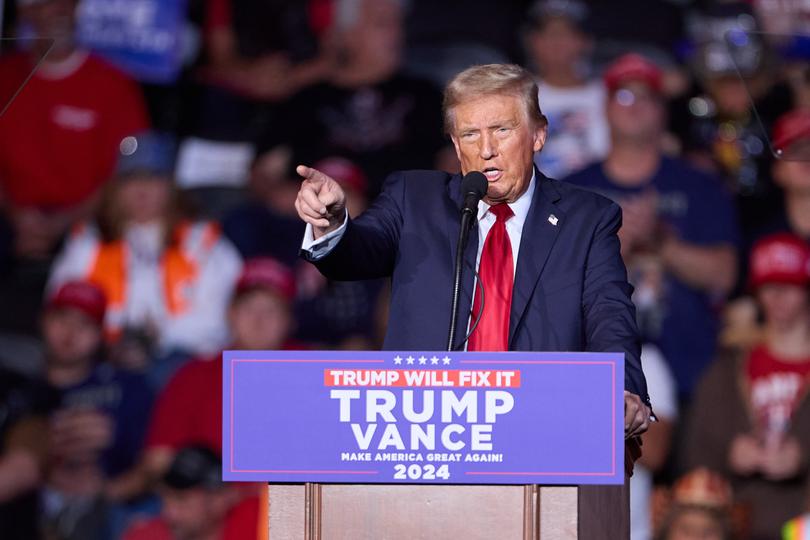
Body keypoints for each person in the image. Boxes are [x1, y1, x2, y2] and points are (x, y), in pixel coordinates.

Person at [295, 63, 651, 436]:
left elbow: (608, 313)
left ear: (538, 135)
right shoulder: (413, 199)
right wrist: (334, 222)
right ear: (454, 145)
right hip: (422, 433)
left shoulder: (588, 219)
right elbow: (357, 251)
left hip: (540, 430)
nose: (486, 150)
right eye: (469, 134)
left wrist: (622, 388)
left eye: (502, 130)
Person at [564, 53, 739, 400]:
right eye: (624, 96)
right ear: (606, 107)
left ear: (662, 111)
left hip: (690, 371)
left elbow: (725, 275)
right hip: (594, 369)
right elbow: (552, 288)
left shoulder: (699, 185)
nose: (635, 106)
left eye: (647, 97)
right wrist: (616, 247)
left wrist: (661, 241)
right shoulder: (571, 191)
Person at [47, 131, 243, 381]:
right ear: (115, 188)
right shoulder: (88, 243)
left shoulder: (203, 243)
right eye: (131, 179)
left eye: (153, 179)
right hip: (102, 360)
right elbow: (59, 309)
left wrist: (157, 335)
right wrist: (113, 341)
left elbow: (223, 321)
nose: (141, 190)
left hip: (181, 364)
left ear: (171, 186)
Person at [683, 233, 810, 539]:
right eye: (769, 286)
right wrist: (730, 455)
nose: (778, 296)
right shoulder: (727, 370)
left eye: (789, 285)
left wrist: (802, 458)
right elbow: (691, 455)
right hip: (736, 524)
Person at [39, 280, 153, 540]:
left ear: (101, 334)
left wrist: (104, 487)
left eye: (84, 324)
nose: (70, 333)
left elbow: (152, 467)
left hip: (106, 508)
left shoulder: (126, 387)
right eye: (62, 319)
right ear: (44, 321)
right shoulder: (18, 384)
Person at [524, 0, 610, 179]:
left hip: (595, 196)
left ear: (584, 42)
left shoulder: (607, 95)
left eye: (565, 34)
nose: (556, 42)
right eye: (548, 34)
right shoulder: (517, 96)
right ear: (533, 42)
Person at [121, 446, 261, 540]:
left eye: (182, 500)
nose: (169, 512)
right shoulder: (147, 535)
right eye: (165, 498)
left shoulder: (257, 526)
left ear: (219, 501)